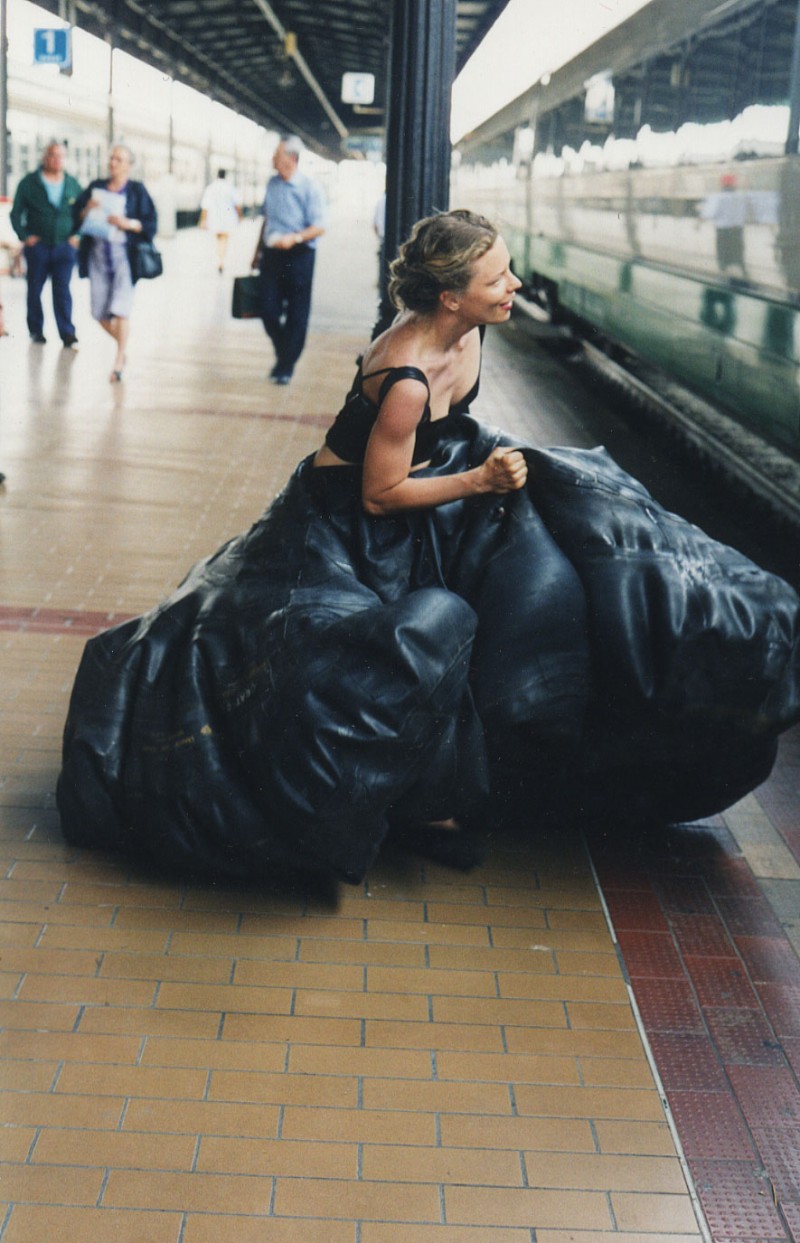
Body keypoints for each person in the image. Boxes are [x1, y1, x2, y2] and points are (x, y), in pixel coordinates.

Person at [57, 210, 800, 887]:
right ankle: (426, 804)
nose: (514, 284)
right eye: (496, 277)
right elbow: (378, 495)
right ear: (451, 297)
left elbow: (449, 444)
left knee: (587, 539)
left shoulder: (470, 333)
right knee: (384, 656)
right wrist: (479, 480)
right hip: (345, 526)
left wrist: (499, 475)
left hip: (436, 492)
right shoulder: (403, 375)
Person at [73, 145, 157, 382]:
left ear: (129, 165)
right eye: (111, 158)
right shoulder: (95, 188)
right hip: (98, 257)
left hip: (125, 258)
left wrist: (127, 223)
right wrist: (87, 209)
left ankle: (119, 360)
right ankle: (123, 345)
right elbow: (76, 216)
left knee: (121, 308)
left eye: (119, 159)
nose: (113, 163)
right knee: (98, 312)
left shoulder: (137, 191)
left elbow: (150, 224)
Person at [251, 135, 326, 385]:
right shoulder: (272, 184)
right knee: (267, 308)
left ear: (291, 159)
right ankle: (285, 354)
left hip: (300, 255)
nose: (273, 158)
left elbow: (319, 227)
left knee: (297, 312)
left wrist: (294, 238)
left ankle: (285, 366)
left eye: (277, 154)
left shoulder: (309, 188)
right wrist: (256, 253)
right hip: (272, 254)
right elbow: (266, 221)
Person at [10, 141, 82, 347]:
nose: (57, 159)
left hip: (64, 247)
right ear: (45, 157)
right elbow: (16, 214)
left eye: (61, 156)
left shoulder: (72, 184)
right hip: (38, 247)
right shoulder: (29, 183)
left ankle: (67, 332)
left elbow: (84, 212)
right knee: (34, 289)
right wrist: (24, 236)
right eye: (52, 155)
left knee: (62, 290)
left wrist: (78, 236)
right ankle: (36, 330)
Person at [199, 169, 242, 272]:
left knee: (218, 239)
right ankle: (221, 261)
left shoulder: (210, 188)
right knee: (224, 239)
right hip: (228, 218)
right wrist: (240, 216)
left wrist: (203, 220)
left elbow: (205, 206)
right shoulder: (230, 187)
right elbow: (237, 204)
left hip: (214, 218)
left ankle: (219, 259)